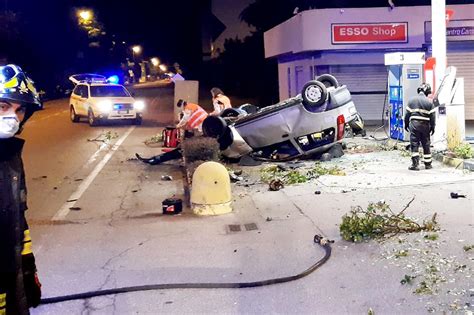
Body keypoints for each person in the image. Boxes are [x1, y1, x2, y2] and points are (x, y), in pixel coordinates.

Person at [0, 64, 43, 314]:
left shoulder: (10, 157)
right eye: (3, 106)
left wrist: (27, 270)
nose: (12, 118)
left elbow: (18, 222)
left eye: (19, 110)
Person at [136, 99, 208, 165]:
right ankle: (154, 159)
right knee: (179, 150)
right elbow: (187, 121)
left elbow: (185, 119)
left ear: (182, 105)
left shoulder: (188, 107)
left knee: (178, 151)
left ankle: (155, 160)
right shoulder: (192, 106)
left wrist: (178, 126)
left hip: (201, 126)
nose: (182, 110)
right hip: (204, 125)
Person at [404, 83, 436, 171]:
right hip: (425, 126)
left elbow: (407, 115)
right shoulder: (429, 102)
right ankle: (428, 164)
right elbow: (432, 117)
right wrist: (433, 127)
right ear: (427, 92)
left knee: (414, 144)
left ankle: (415, 164)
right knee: (426, 144)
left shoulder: (411, 100)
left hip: (414, 125)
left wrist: (406, 124)